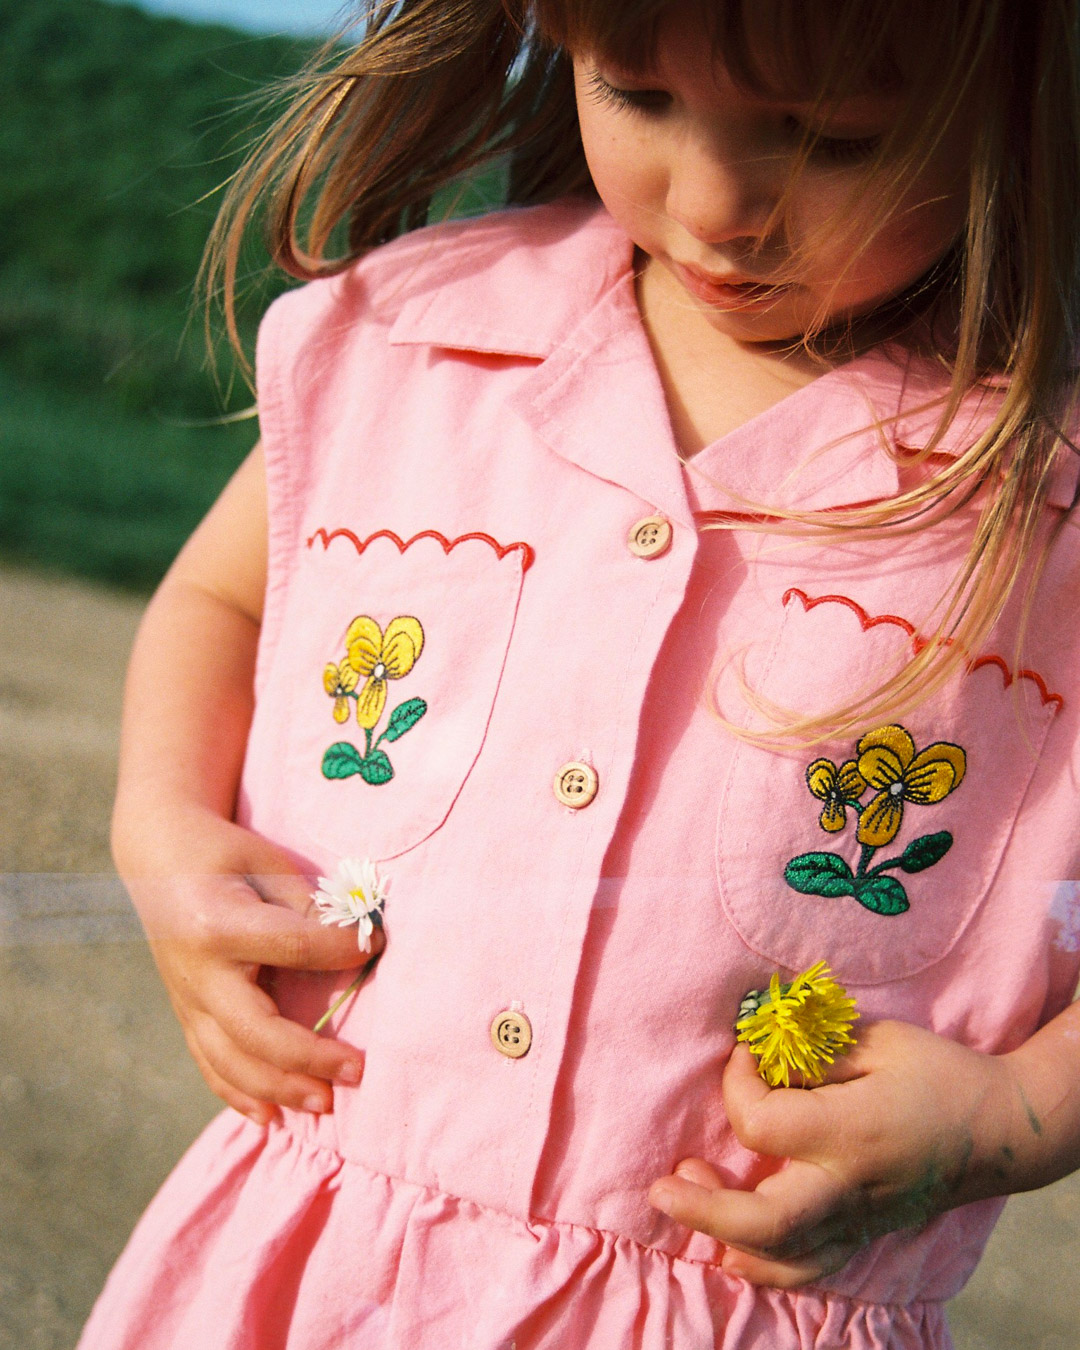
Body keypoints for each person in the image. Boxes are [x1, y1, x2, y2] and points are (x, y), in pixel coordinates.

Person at [79, 0, 1080, 1346]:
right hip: (316, 1266)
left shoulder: (1046, 499)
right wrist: (160, 825)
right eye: (641, 97)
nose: (720, 203)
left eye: (832, 139)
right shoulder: (417, 338)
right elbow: (221, 595)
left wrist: (1018, 1117)